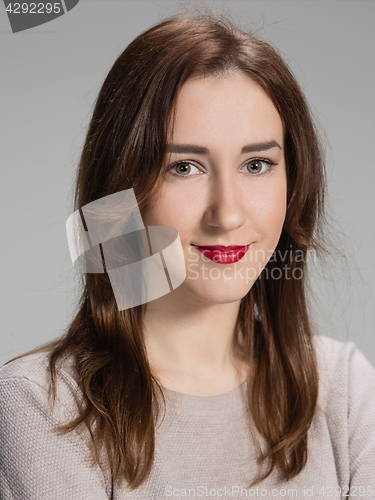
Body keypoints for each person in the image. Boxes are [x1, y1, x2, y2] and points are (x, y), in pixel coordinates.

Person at [1, 12, 375, 500]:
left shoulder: (344, 389)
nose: (227, 214)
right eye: (184, 166)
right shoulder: (38, 405)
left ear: (294, 185)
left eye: (256, 164)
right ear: (120, 190)